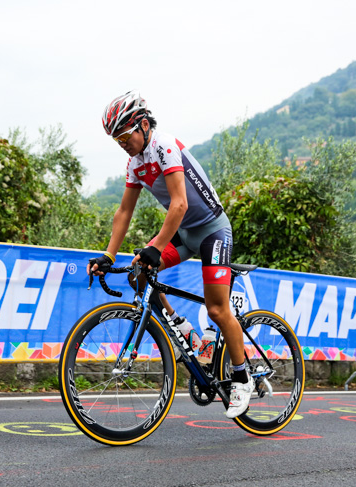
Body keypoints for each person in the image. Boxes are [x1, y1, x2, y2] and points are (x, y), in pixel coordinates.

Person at [87, 90, 253, 419]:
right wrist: (108, 254)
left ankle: (243, 378)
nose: (122, 143)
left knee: (219, 311)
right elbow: (124, 212)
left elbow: (180, 203)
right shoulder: (135, 163)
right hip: (185, 233)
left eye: (125, 136)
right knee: (139, 273)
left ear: (144, 125)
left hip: (212, 231)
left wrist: (156, 246)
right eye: (116, 140)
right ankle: (183, 329)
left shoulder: (164, 145)